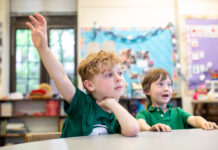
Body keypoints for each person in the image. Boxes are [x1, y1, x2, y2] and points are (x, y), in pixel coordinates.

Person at [26, 13, 139, 137]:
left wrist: (112, 104)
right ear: (90, 85)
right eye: (109, 75)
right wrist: (43, 49)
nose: (119, 78)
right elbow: (60, 77)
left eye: (120, 73)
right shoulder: (82, 103)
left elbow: (132, 130)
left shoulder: (116, 112)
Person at [136, 68, 218, 132]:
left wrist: (204, 123)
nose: (166, 89)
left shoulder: (178, 112)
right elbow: (140, 124)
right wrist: (150, 129)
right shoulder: (144, 114)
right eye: (160, 84)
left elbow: (193, 119)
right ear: (147, 90)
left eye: (169, 85)